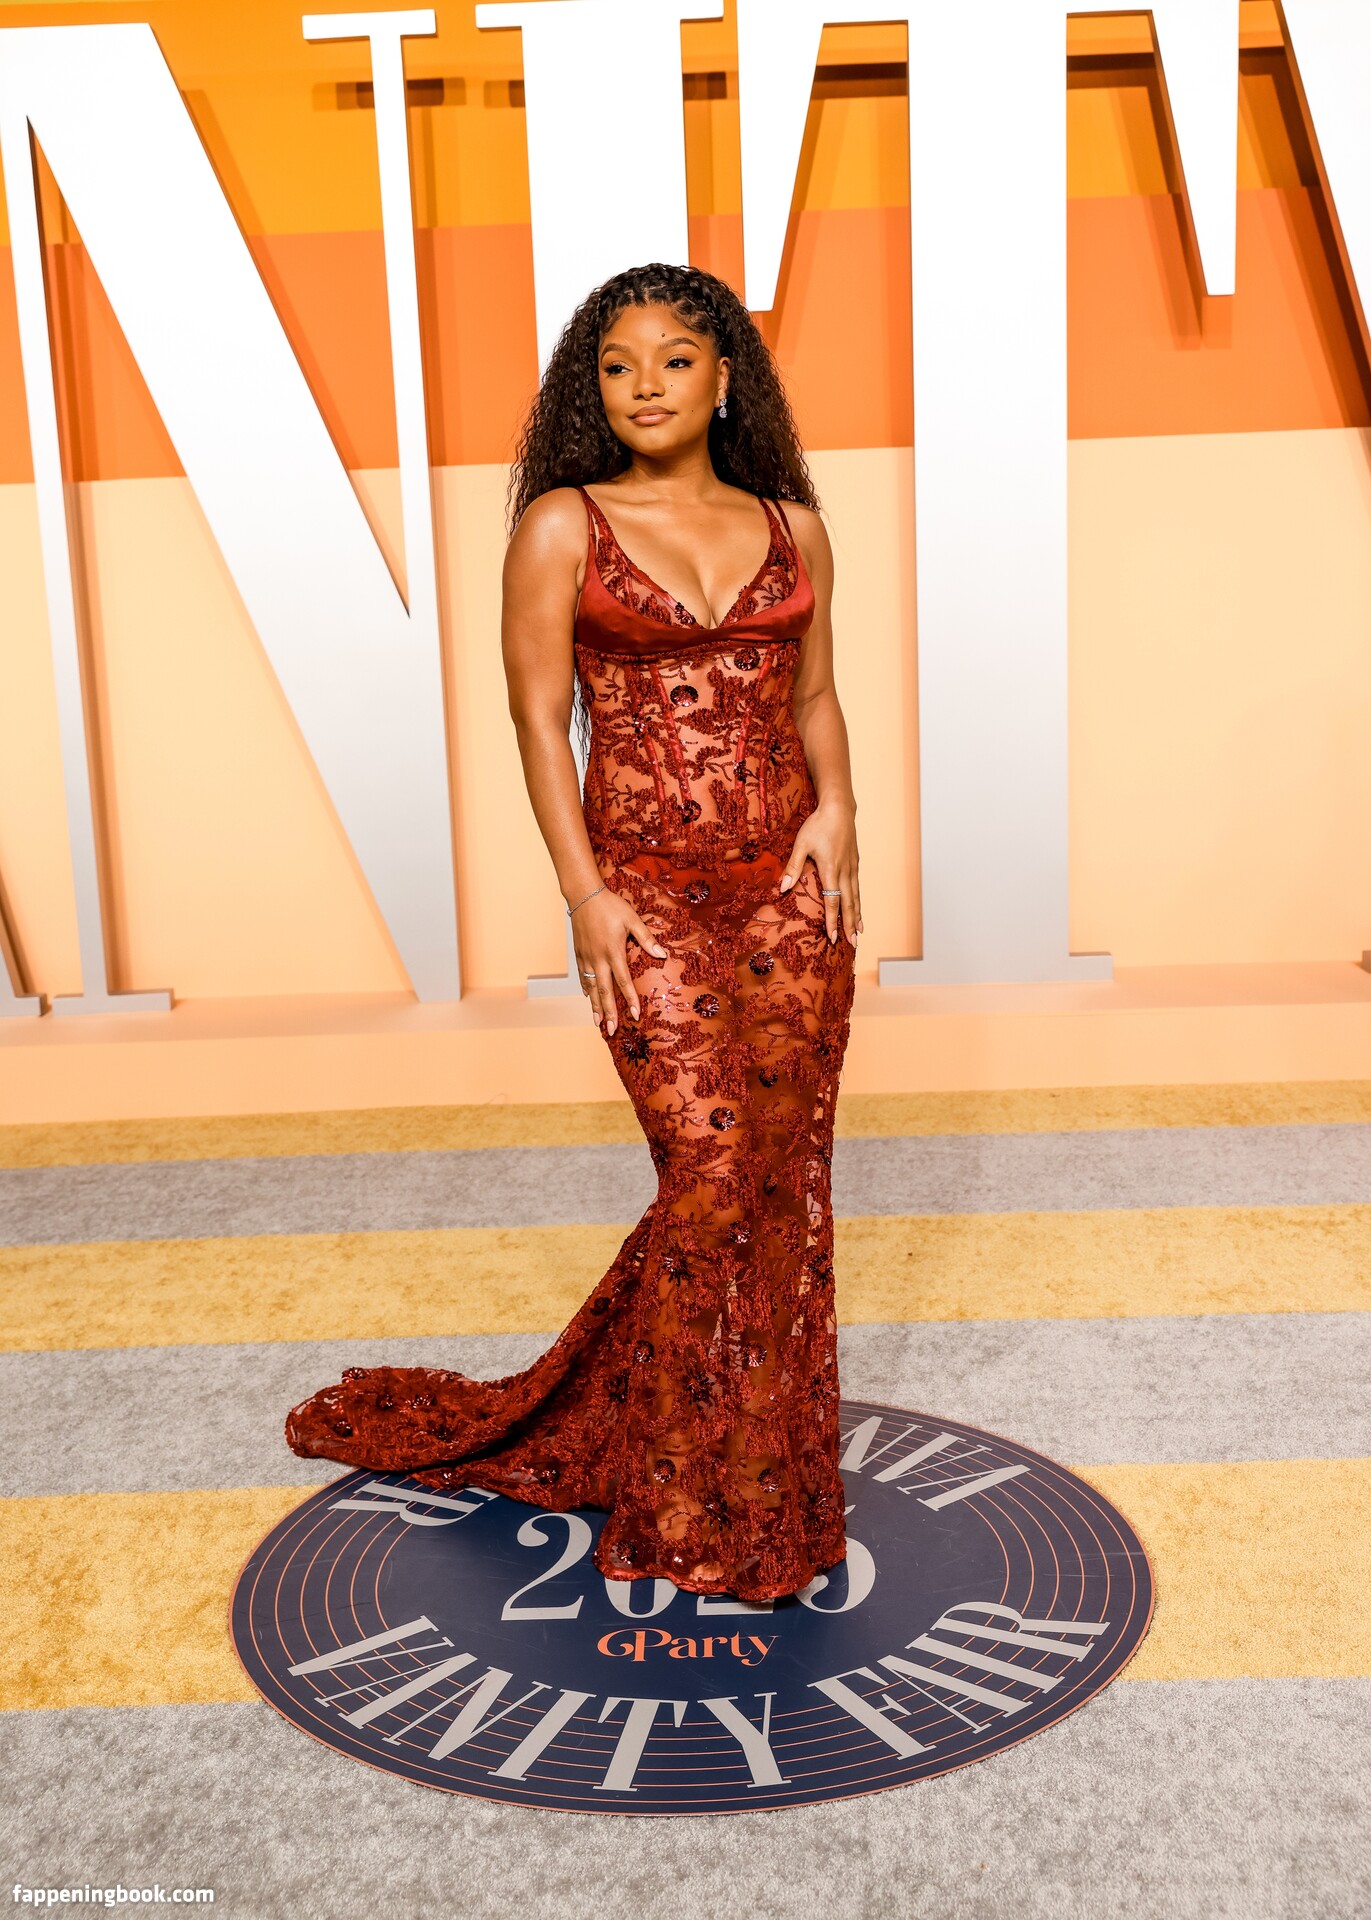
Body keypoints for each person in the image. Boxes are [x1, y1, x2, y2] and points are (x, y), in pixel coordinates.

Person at [285, 263, 861, 1604]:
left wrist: (841, 808)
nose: (646, 385)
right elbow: (538, 718)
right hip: (644, 895)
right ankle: (676, 1490)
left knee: (782, 1186)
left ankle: (764, 1472)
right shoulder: (562, 525)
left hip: (790, 895)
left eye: (675, 358)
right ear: (589, 388)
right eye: (617, 364)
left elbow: (814, 695)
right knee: (712, 1171)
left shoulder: (795, 526)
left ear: (726, 378)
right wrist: (588, 894)